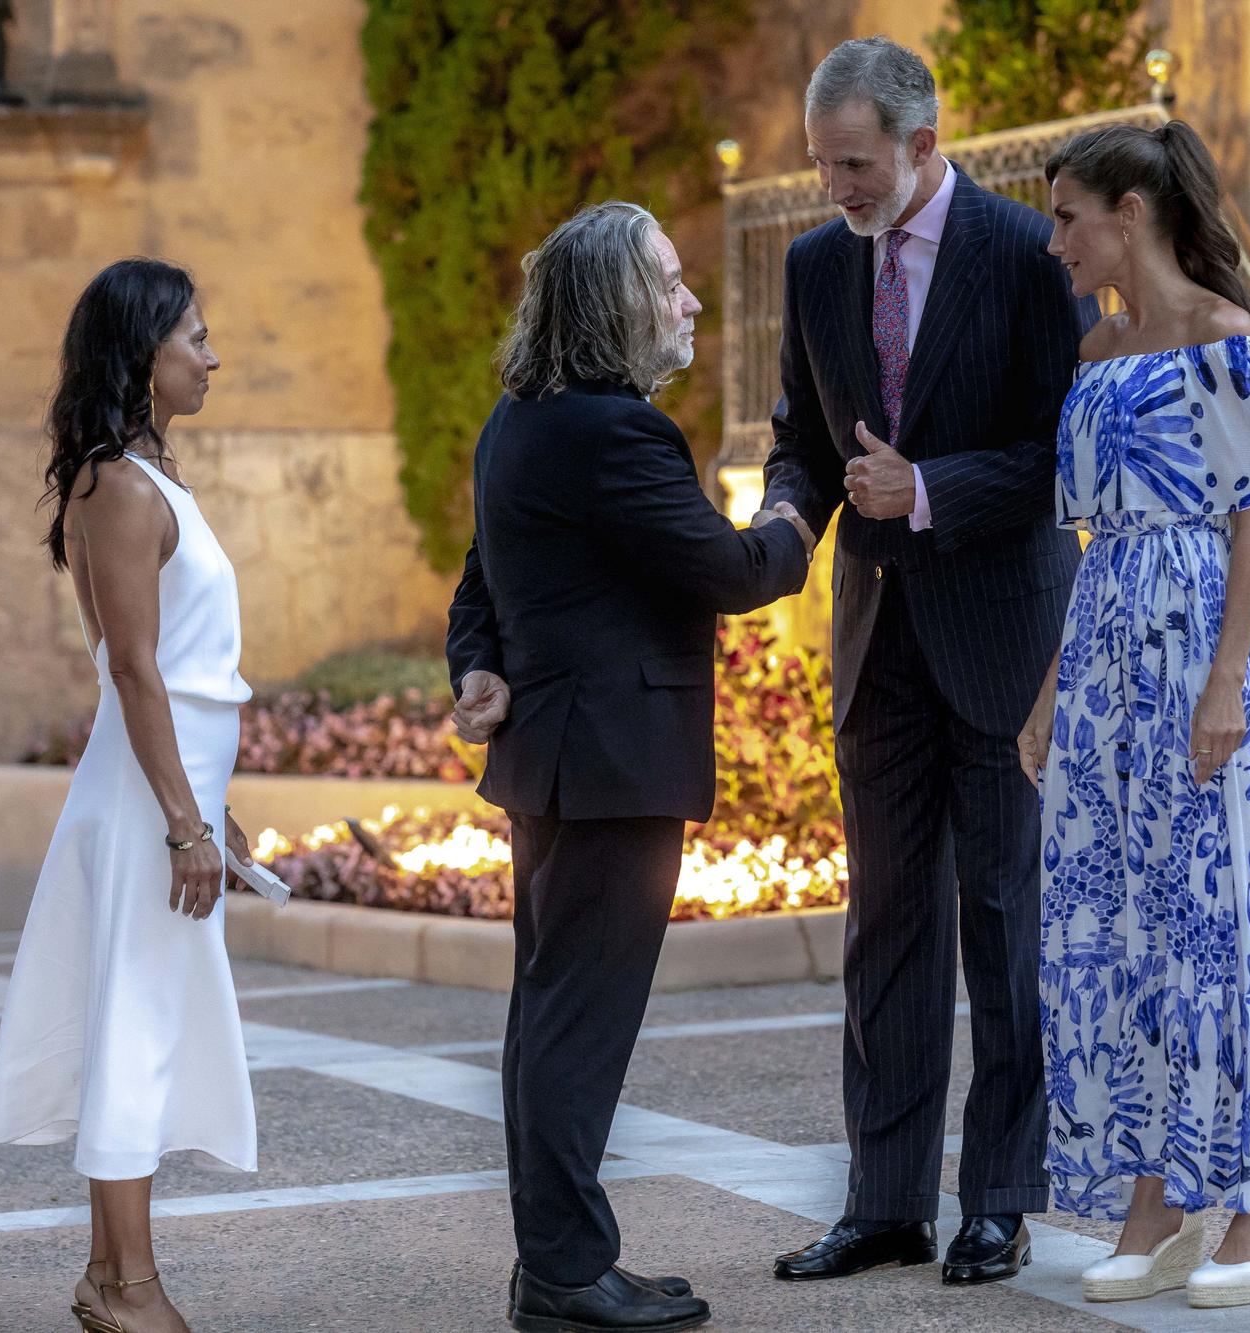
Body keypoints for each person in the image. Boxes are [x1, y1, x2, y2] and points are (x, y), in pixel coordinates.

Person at [1024, 119, 1250, 1311]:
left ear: (1132, 212)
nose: (1056, 237)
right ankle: (1155, 1195)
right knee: (1124, 928)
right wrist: (1044, 694)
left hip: (1195, 655)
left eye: (1071, 214)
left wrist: (1227, 676)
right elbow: (1084, 539)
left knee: (1232, 919)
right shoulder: (1091, 350)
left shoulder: (1226, 340)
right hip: (1102, 664)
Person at [760, 37, 1092, 1286]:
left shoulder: (1022, 252)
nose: (835, 188)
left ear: (921, 145)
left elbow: (1068, 451)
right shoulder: (808, 264)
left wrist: (929, 486)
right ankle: (882, 1200)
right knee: (885, 925)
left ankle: (998, 1196)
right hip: (874, 640)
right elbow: (801, 432)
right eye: (820, 165)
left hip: (1005, 632)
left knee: (1005, 920)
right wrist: (786, 524)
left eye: (852, 164)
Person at [447, 200, 812, 1333]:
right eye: (667, 282)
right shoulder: (614, 433)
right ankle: (562, 1274)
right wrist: (802, 502)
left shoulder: (518, 420)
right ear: (612, 303)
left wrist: (477, 666)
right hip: (609, 767)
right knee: (575, 1026)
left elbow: (477, 583)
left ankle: (561, 1259)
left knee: (549, 1019)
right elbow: (729, 568)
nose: (688, 298)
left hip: (557, 764)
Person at [0, 258, 258, 1333]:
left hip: (165, 787)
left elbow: (166, 671)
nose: (212, 354)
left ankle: (109, 1278)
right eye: (193, 335)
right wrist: (181, 819)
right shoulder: (116, 486)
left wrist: (209, 803)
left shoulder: (145, 480)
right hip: (145, 803)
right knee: (134, 1028)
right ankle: (131, 1285)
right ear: (140, 353)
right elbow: (132, 667)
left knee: (141, 1024)